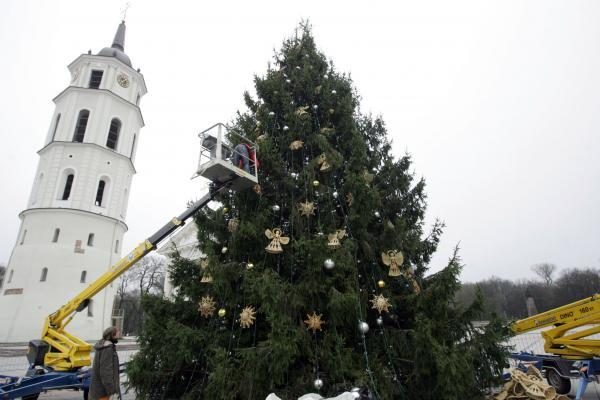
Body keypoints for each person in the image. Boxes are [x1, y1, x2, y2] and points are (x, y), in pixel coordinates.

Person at [89, 326, 121, 400]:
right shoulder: (107, 349)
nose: (118, 337)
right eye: (117, 334)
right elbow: (106, 373)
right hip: (103, 394)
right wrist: (112, 392)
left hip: (99, 392)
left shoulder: (103, 346)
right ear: (112, 335)